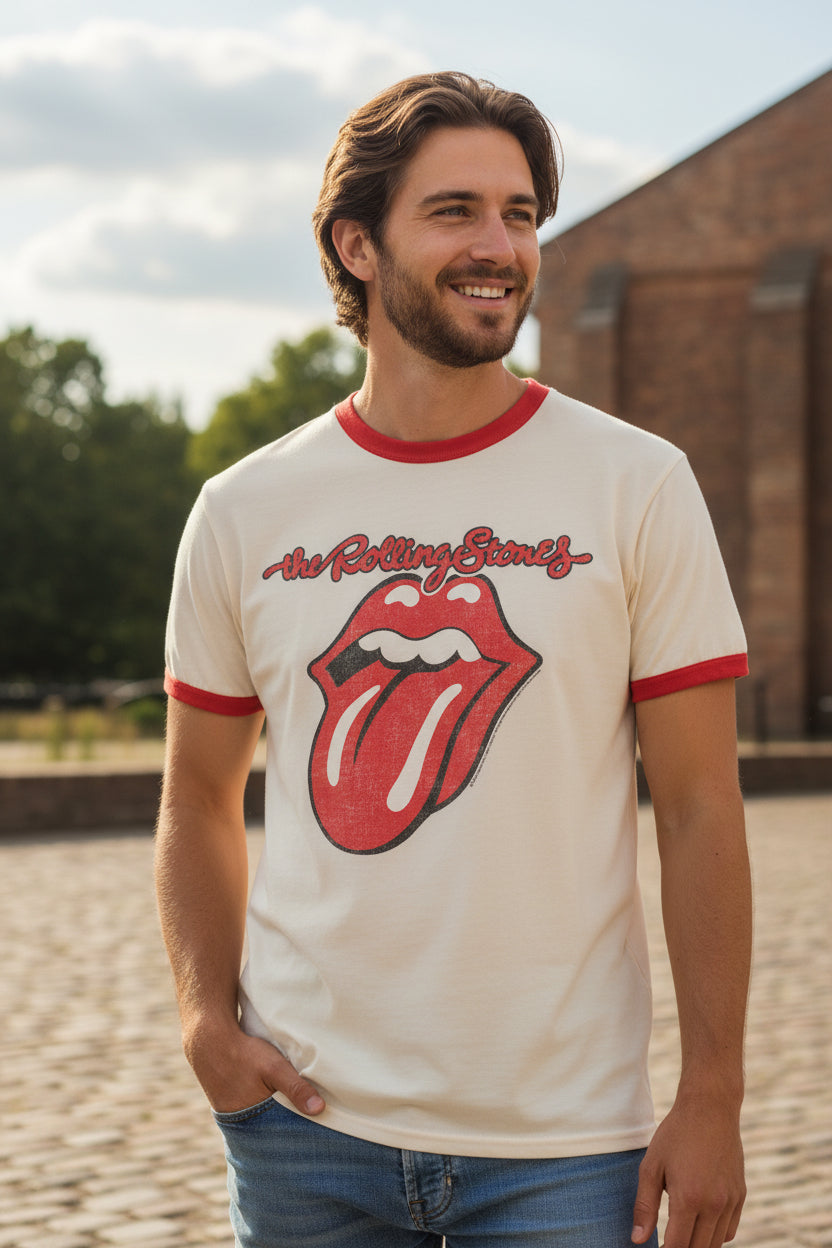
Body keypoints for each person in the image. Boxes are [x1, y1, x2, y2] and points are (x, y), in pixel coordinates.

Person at [155, 71, 752, 1248]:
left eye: (520, 214)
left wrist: (715, 1097)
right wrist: (202, 1025)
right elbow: (198, 793)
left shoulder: (636, 484)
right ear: (356, 244)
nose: (499, 246)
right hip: (304, 1136)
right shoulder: (243, 508)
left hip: (565, 1150)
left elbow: (696, 805)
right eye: (455, 213)